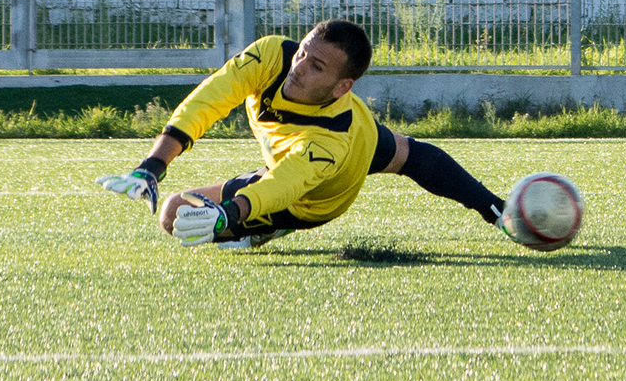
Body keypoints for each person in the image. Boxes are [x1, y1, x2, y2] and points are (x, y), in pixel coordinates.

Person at [98, 19, 509, 248]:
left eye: (316, 67)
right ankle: (501, 209)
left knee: (174, 213)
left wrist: (232, 212)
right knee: (407, 153)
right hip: (360, 137)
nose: (299, 66)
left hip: (315, 197)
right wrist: (153, 165)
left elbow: (283, 184)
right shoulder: (271, 55)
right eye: (304, 52)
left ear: (341, 87)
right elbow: (211, 99)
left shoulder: (330, 139)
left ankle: (272, 228)